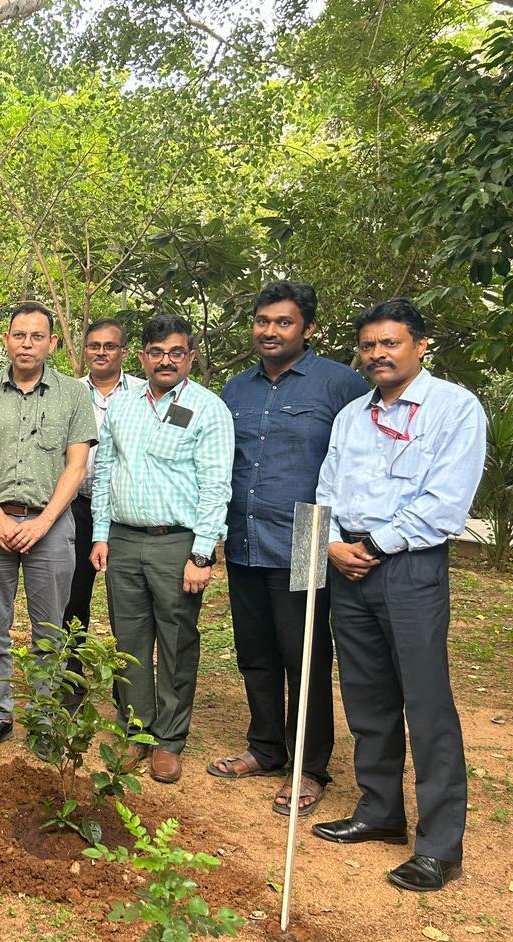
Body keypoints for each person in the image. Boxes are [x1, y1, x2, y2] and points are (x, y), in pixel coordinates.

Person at [313, 297, 485, 892]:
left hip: (409, 569)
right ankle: (380, 811)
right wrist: (333, 544)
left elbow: (446, 501)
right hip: (348, 569)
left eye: (390, 343)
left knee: (426, 704)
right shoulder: (351, 416)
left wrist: (374, 545)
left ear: (420, 345)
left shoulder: (454, 409)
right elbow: (327, 485)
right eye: (368, 345)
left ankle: (439, 847)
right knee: (367, 699)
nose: (377, 354)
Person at [209, 282, 366, 817]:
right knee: (254, 652)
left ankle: (309, 766)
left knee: (304, 656)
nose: (270, 331)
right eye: (262, 321)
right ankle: (265, 747)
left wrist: (343, 532)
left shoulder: (340, 384)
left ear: (308, 328)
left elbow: (357, 461)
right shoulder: (236, 389)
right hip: (244, 534)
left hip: (306, 535)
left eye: (283, 322)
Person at [89, 315, 233, 784]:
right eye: (156, 352)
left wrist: (202, 553)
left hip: (177, 543)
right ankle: (137, 730)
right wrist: (101, 533)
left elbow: (216, 485)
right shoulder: (123, 405)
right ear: (142, 356)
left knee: (176, 641)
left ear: (189, 356)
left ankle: (169, 739)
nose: (165, 360)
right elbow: (105, 470)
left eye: (175, 352)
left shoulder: (208, 408)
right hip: (125, 540)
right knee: (129, 640)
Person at [0, 303, 96, 752]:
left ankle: (44, 718)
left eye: (37, 336)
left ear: (51, 342)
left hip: (50, 525)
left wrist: (44, 522)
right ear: (7, 340)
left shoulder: (73, 395)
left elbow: (76, 466)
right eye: (19, 335)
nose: (27, 344)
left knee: (49, 630)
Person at [63, 319, 144, 633]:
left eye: (109, 346)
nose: (101, 352)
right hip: (78, 506)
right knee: (73, 595)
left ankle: (127, 665)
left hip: (125, 510)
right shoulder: (69, 392)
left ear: (124, 352)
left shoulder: (144, 392)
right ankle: (72, 662)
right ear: (85, 351)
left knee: (129, 598)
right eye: (94, 346)